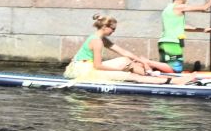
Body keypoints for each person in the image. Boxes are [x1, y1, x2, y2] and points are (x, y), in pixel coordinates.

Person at [66, 14, 199, 83]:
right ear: (105, 27)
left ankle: (151, 74)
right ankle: (173, 81)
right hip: (84, 71)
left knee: (126, 60)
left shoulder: (100, 38)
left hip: (86, 66)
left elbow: (123, 52)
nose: (113, 31)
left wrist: (142, 62)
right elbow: (98, 66)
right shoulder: (97, 41)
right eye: (113, 29)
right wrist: (118, 69)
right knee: (132, 75)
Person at [157, 0, 211, 73]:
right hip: (172, 43)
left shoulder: (167, 9)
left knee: (166, 68)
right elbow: (203, 7)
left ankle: (153, 72)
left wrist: (203, 30)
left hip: (164, 42)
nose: (186, 1)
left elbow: (183, 27)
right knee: (176, 68)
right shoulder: (178, 6)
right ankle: (147, 63)